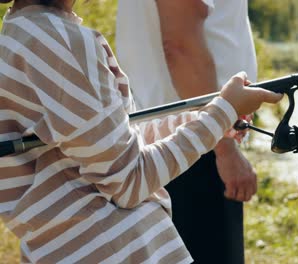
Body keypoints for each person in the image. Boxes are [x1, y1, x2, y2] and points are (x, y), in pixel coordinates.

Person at [0, 0, 283, 263]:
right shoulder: (58, 43)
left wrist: (214, 120)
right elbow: (129, 180)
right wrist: (222, 113)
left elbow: (115, 141)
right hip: (116, 250)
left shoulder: (20, 34)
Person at [116, 1, 257, 262]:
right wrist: (224, 147)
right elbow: (180, 47)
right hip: (193, 144)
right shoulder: (212, 144)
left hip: (188, 139)